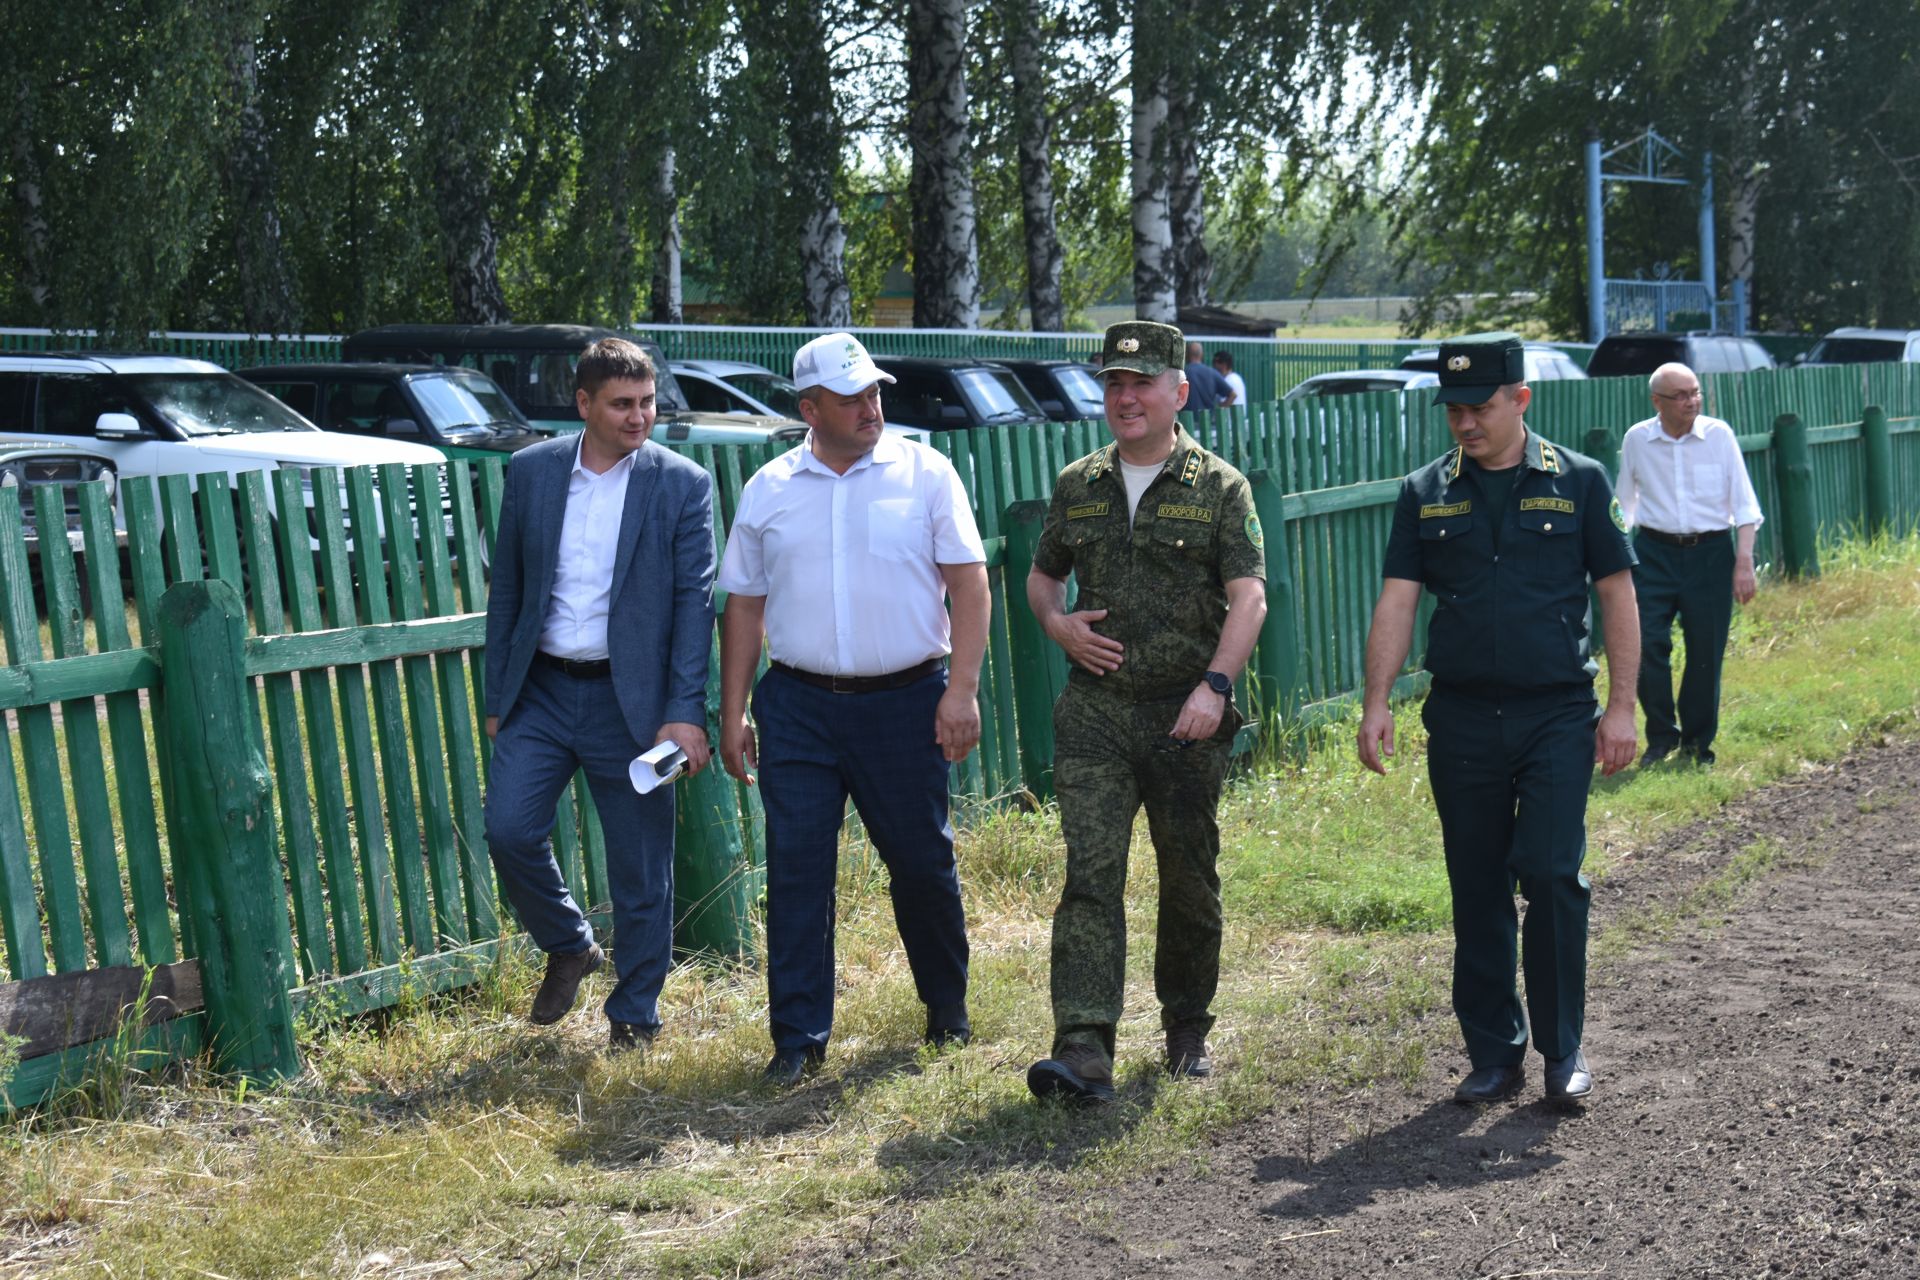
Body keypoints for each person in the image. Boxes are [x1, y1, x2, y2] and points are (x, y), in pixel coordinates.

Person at [1356, 331, 1639, 1105]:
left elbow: (1617, 592)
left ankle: (1561, 1052)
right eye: (1453, 409)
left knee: (1550, 874)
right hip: (1464, 718)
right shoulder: (1425, 492)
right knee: (1475, 884)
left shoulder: (1579, 482)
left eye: (1479, 406)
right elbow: (1398, 600)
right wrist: (1377, 700)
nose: (1464, 423)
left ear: (1521, 398)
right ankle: (1493, 1052)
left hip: (1555, 714)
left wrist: (1621, 707)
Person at [718, 331, 990, 1087]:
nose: (872, 407)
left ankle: (947, 1012)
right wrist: (733, 711)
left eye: (874, 391)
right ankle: (799, 1040)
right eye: (851, 398)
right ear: (809, 409)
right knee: (798, 869)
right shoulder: (768, 488)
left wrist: (960, 691)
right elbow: (743, 605)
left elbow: (970, 586)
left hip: (905, 703)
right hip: (798, 706)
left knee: (921, 862)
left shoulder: (926, 473)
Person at [1024, 320, 1268, 1104]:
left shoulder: (1220, 486)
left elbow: (1249, 597)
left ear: (1179, 392)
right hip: (1095, 713)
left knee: (1187, 877)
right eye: (1114, 384)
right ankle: (1084, 1044)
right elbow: (1041, 578)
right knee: (1091, 874)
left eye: (1143, 384)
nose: (1126, 398)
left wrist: (1216, 687)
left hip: (1182, 716)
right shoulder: (1079, 483)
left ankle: (1186, 1026)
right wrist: (1058, 624)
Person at [483, 338, 716, 1052]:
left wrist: (684, 711)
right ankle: (570, 942)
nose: (639, 416)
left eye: (647, 402)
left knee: (641, 870)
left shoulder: (681, 483)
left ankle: (635, 1016)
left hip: (635, 705)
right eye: (622, 404)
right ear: (582, 404)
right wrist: (499, 695)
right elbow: (510, 590)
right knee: (510, 829)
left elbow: (693, 601)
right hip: (544, 693)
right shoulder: (532, 472)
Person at [1615, 362, 1763, 766]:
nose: (1691, 401)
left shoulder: (1719, 436)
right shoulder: (1638, 440)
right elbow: (1623, 506)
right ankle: (1661, 737)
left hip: (1711, 554)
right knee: (1644, 644)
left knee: (1705, 651)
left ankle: (1698, 745)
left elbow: (1745, 503)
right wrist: (1618, 563)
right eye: (1680, 395)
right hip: (1653, 553)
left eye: (1695, 392)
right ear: (1656, 402)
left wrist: (1744, 562)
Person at [1182, 340, 1228, 411]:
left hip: (1187, 420)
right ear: (1201, 355)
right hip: (1208, 420)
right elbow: (1233, 395)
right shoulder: (1213, 373)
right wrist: (1219, 411)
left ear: (1187, 354)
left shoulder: (1182, 374)